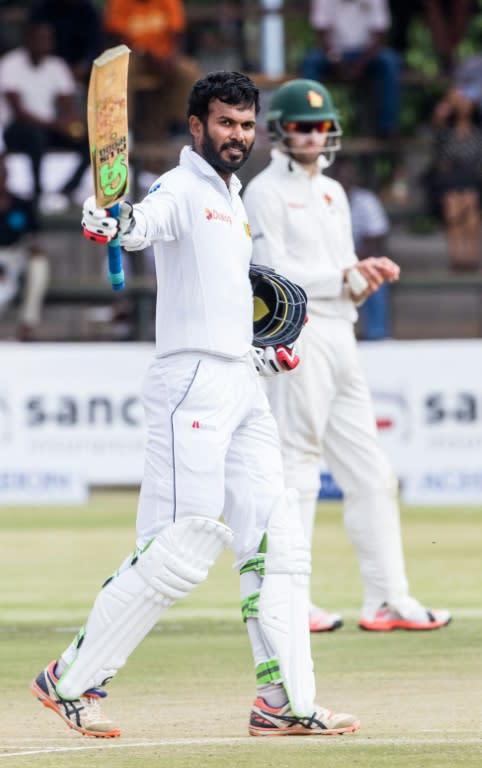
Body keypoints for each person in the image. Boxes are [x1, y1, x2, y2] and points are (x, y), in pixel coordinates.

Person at [29, 71, 360, 739]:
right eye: (224, 123)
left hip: (241, 383)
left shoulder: (233, 198)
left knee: (280, 542)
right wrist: (113, 222)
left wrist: (261, 351)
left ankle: (283, 700)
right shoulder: (180, 188)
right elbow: (139, 224)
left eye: (244, 124)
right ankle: (70, 679)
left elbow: (219, 295)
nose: (236, 135)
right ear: (196, 127)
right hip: (191, 388)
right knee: (177, 551)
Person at [243, 78, 452, 634]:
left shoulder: (334, 192)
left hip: (341, 336)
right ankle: (290, 600)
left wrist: (364, 278)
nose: (312, 135)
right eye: (301, 126)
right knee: (298, 471)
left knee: (374, 475)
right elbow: (272, 274)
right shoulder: (263, 192)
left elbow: (341, 269)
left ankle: (387, 598)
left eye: (320, 126)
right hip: (298, 334)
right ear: (281, 131)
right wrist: (343, 277)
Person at [0, 21, 91, 214]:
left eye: (48, 39)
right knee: (35, 137)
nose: (44, 43)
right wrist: (57, 125)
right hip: (16, 129)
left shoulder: (56, 65)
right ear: (28, 39)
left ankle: (68, 189)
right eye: (40, 38)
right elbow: (18, 111)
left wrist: (71, 122)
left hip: (49, 127)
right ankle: (37, 192)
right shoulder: (10, 63)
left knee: (90, 141)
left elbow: (66, 103)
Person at [102, 0, 202, 142]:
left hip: (165, 58)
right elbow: (116, 38)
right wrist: (144, 52)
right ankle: (122, 129)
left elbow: (177, 35)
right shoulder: (119, 3)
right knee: (120, 72)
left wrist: (170, 59)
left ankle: (179, 125)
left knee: (188, 71)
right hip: (132, 55)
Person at [301, 0, 400, 139]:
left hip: (367, 55)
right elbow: (322, 34)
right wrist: (336, 61)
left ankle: (387, 126)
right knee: (311, 62)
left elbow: (380, 36)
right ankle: (312, 121)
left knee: (390, 61)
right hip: (333, 54)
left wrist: (359, 65)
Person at [426, 85, 482, 270]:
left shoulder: (477, 132)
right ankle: (457, 256)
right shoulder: (445, 131)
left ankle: (472, 256)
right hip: (448, 180)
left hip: (472, 179)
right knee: (453, 208)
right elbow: (438, 118)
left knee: (471, 206)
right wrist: (452, 99)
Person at [335, 159, 391, 340]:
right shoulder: (322, 197)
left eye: (349, 176)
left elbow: (375, 241)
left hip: (361, 259)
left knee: (374, 277)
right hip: (331, 262)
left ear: (356, 179)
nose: (346, 180)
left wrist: (353, 265)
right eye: (342, 176)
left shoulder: (367, 200)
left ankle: (377, 335)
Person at [0, 154, 50, 341]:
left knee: (39, 264)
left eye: (3, 172)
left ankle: (27, 323)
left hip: (15, 255)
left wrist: (33, 247)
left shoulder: (22, 204)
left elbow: (33, 235)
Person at [28, 0, 103, 85]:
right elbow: (34, 40)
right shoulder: (42, 7)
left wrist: (83, 66)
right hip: (45, 69)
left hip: (77, 74)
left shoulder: (88, 11)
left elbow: (95, 47)